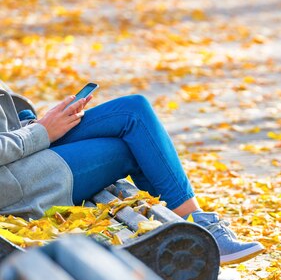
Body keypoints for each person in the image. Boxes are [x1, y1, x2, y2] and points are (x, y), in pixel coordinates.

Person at [0, 80, 264, 265]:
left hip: (20, 153)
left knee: (133, 111)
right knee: (129, 147)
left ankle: (195, 230)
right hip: (14, 184)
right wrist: (41, 131)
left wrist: (34, 123)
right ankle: (197, 236)